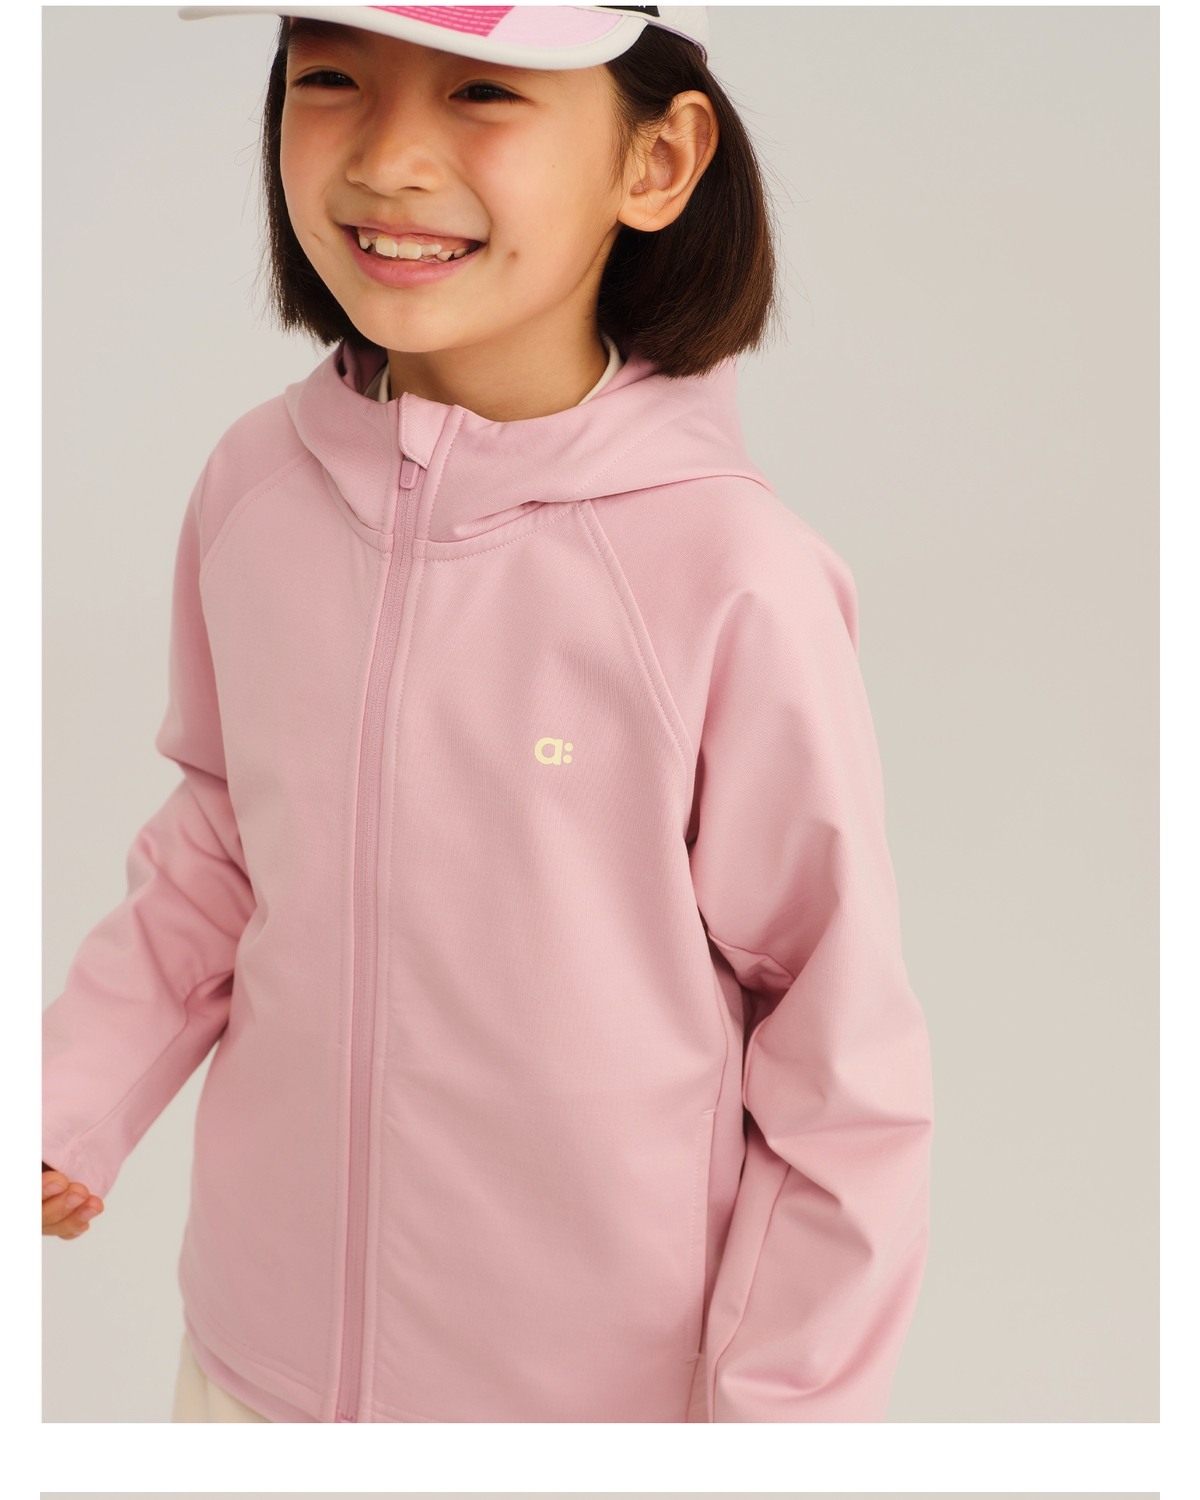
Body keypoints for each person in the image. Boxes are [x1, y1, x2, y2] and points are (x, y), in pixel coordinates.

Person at [42, 4, 934, 1423]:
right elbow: (224, 834)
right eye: (333, 76)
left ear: (656, 160)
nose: (388, 157)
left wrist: (783, 1433)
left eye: (482, 92)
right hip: (251, 1377)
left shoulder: (728, 574)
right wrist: (69, 1095)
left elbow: (838, 1048)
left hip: (584, 1414)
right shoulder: (254, 490)